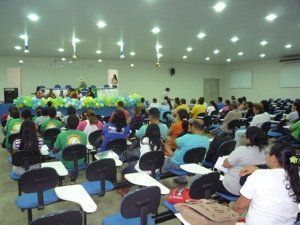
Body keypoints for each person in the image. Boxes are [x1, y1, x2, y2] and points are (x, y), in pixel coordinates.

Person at [232, 142, 300, 225]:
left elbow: (239, 207)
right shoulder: (296, 176)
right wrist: (258, 170)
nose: (266, 156)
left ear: (273, 158)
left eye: (267, 153)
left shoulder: (259, 175)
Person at [217, 127, 267, 196]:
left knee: (208, 181)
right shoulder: (265, 152)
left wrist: (228, 158)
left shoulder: (241, 150)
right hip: (249, 191)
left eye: (244, 136)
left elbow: (225, 165)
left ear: (248, 140)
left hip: (232, 188)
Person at [161, 119, 209, 183]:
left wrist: (166, 137)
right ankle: (182, 180)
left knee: (164, 162)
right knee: (183, 154)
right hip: (193, 164)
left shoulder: (186, 137)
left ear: (193, 127)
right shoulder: (206, 140)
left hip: (177, 164)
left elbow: (173, 141)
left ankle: (157, 177)